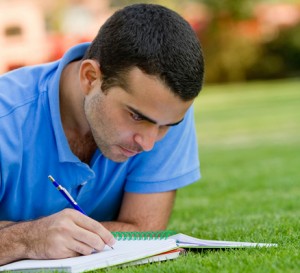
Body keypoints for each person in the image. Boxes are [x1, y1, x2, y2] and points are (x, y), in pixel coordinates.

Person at [0, 3, 204, 265]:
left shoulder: (163, 110)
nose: (150, 143)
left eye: (167, 126)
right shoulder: (6, 120)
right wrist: (27, 239)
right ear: (90, 77)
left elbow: (143, 230)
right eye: (136, 116)